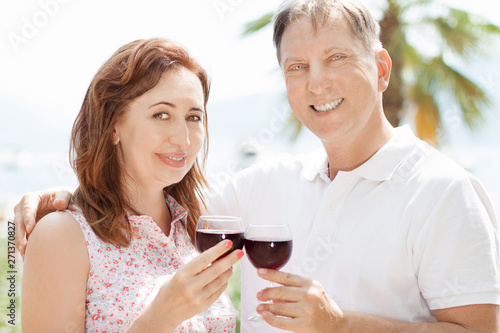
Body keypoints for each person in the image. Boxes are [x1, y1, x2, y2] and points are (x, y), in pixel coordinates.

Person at [14, 0, 500, 332]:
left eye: (336, 58)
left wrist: (340, 325)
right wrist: (60, 200)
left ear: (380, 69)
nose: (317, 84)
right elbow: (135, 196)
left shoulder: (446, 192)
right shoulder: (252, 194)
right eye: (297, 67)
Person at [19, 38, 244, 333]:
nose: (183, 139)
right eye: (161, 114)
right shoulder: (62, 236)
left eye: (193, 117)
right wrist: (159, 320)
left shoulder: (197, 227)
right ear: (113, 126)